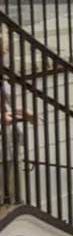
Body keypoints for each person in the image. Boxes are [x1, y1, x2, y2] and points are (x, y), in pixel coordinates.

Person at [1, 37, 36, 207]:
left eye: (4, 52)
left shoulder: (3, 79)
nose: (4, 56)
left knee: (15, 197)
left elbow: (7, 105)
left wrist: (20, 112)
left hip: (10, 144)